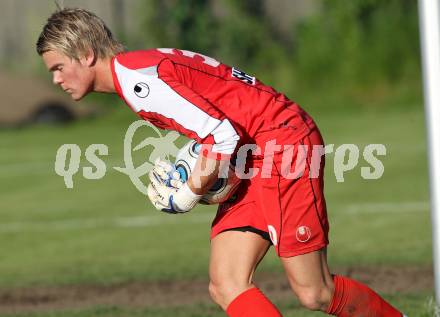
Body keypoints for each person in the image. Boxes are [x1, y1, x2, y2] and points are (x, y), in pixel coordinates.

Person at [36, 8, 407, 317]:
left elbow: (221, 136)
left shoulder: (139, 82)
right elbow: (219, 126)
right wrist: (205, 167)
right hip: (254, 151)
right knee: (226, 284)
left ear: (85, 55)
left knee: (315, 292)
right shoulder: (136, 70)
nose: (55, 79)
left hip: (282, 143)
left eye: (57, 67)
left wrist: (189, 191)